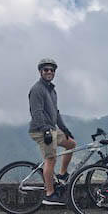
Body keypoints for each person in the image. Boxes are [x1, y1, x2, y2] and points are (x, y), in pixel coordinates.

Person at [28, 58, 76, 206]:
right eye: (46, 70)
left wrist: (64, 128)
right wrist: (45, 131)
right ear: (40, 72)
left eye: (52, 70)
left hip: (52, 129)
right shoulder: (37, 89)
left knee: (71, 144)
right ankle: (49, 194)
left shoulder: (52, 90)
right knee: (50, 159)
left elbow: (56, 112)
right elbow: (36, 112)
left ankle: (62, 174)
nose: (49, 72)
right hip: (40, 130)